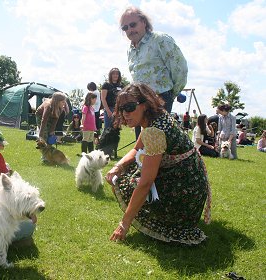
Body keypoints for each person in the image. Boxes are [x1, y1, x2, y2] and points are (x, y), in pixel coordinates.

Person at [105, 83, 211, 245]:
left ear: (145, 105)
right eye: (121, 109)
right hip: (192, 184)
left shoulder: (154, 132)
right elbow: (137, 149)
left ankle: (167, 220)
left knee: (125, 180)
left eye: (130, 107)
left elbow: (146, 183)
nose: (125, 113)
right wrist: (117, 166)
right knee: (126, 169)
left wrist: (124, 224)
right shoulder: (157, 118)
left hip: (183, 193)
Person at [120, 6, 188, 138]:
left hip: (160, 100)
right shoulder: (130, 50)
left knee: (156, 144)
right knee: (142, 147)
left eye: (133, 24)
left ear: (144, 22)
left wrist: (170, 95)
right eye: (125, 28)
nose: (129, 30)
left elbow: (180, 69)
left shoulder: (160, 40)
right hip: (139, 104)